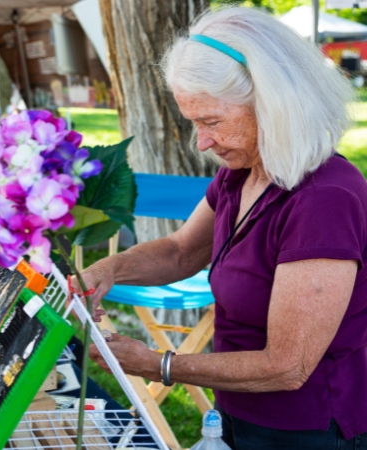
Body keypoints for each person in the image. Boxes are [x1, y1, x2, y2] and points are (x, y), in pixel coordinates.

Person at [79, 7, 364, 449]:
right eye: (195, 123)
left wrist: (159, 365)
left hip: (307, 429)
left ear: (275, 106)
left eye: (211, 121)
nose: (202, 142)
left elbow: (288, 365)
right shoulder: (244, 170)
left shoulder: (324, 199)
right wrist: (108, 270)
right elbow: (180, 252)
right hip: (240, 408)